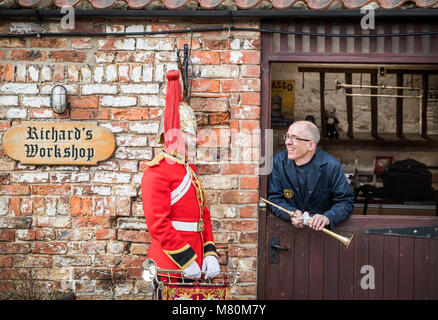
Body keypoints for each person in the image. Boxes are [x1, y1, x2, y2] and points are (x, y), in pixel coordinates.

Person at [141, 70, 220, 289]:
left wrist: (209, 252)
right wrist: (186, 258)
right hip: (172, 261)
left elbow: (203, 216)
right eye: (190, 132)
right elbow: (158, 224)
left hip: (197, 261)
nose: (196, 138)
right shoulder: (156, 172)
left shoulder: (190, 170)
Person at [267, 120, 353, 230]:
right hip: (288, 232)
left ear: (311, 145)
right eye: (287, 137)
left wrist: (328, 217)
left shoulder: (331, 165)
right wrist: (290, 213)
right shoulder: (278, 162)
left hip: (322, 236)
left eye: (294, 138)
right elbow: (273, 198)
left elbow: (345, 202)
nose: (287, 142)